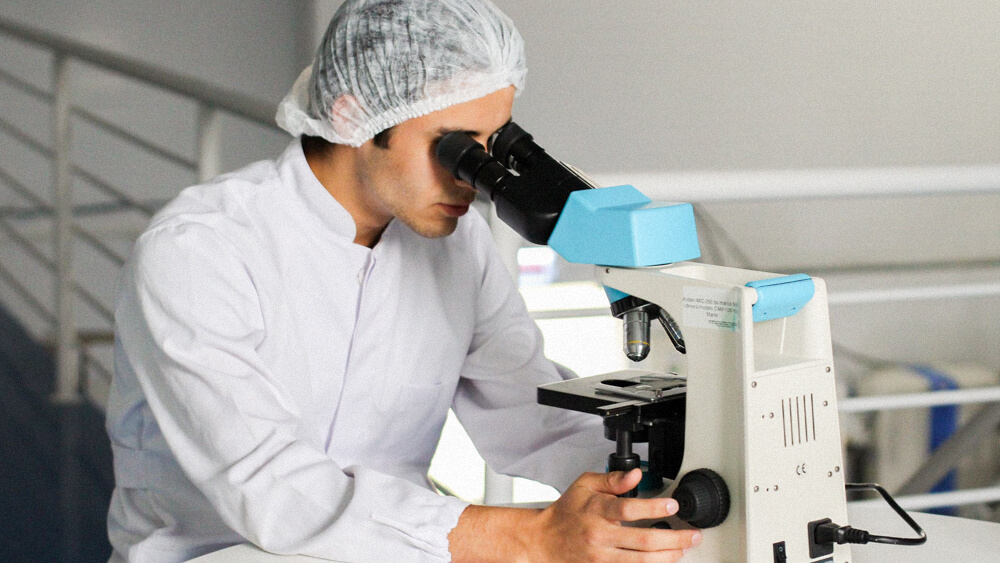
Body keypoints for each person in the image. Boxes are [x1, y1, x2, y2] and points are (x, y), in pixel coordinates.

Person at [105, 0, 702, 561]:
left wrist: (661, 474)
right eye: (455, 149)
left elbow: (531, 415)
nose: (474, 179)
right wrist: (534, 537)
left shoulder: (457, 247)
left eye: (493, 147)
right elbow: (272, 489)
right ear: (354, 114)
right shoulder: (200, 251)